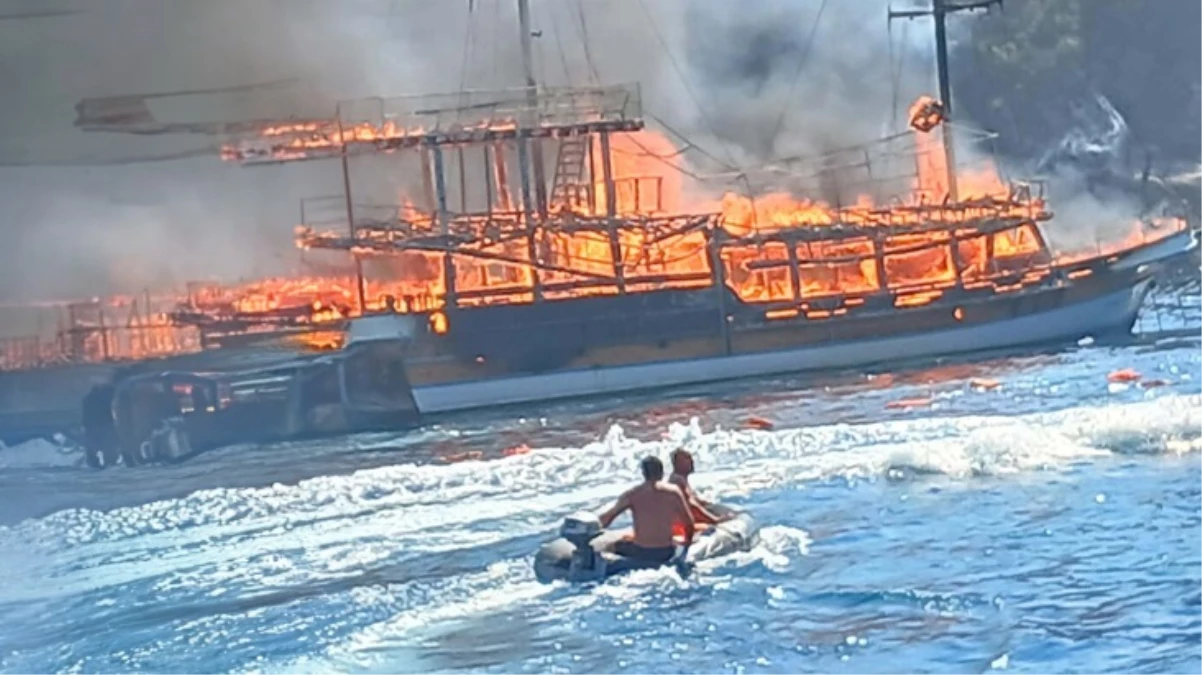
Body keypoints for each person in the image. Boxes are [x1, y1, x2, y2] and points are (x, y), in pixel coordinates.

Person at [598, 456, 695, 564]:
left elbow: (608, 518)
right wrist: (687, 544)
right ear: (662, 472)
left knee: (612, 546)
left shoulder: (632, 495)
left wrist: (594, 527)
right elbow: (689, 523)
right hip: (666, 551)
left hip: (641, 551)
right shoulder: (674, 492)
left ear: (643, 473)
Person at [668, 448, 728, 526]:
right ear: (677, 463)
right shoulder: (677, 481)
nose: (692, 461)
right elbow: (691, 506)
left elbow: (696, 501)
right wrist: (715, 520)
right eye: (687, 459)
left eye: (690, 458)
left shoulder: (682, 480)